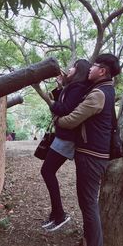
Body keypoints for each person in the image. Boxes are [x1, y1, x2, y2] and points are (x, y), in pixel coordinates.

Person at [56, 54, 121, 246]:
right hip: (94, 154)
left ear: (102, 71)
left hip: (92, 156)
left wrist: (58, 120)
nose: (90, 69)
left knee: (88, 204)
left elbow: (73, 119)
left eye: (93, 66)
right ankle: (87, 242)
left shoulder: (98, 94)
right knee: (87, 203)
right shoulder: (104, 90)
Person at [40, 59, 92, 232]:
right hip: (62, 136)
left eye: (73, 67)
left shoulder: (78, 88)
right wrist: (61, 85)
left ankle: (60, 214)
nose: (68, 69)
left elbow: (63, 109)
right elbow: (62, 103)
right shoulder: (72, 87)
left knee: (47, 171)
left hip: (68, 138)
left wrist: (46, 95)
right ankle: (56, 214)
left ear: (79, 71)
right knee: (47, 172)